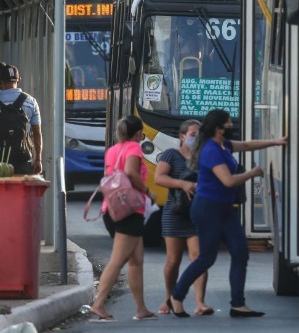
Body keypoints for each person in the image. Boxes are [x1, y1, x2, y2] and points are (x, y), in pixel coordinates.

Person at [168, 109, 288, 318]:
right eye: (228, 123)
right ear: (218, 128)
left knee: (240, 252)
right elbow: (228, 181)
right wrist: (253, 173)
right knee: (206, 258)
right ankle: (176, 297)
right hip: (208, 209)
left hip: (224, 208)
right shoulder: (211, 150)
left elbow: (248, 145)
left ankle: (238, 304)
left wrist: (276, 142)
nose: (231, 126)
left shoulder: (224, 145)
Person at [85, 115, 157, 322]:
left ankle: (141, 308)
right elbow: (131, 173)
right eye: (141, 133)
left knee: (136, 261)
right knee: (117, 261)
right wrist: (148, 192)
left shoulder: (113, 150)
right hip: (129, 212)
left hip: (113, 209)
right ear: (137, 133)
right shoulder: (134, 147)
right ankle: (98, 304)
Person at [154, 119, 213, 316]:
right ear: (182, 137)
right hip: (175, 213)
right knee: (173, 260)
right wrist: (182, 184)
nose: (196, 139)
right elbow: (159, 178)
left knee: (198, 257)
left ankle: (200, 303)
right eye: (192, 134)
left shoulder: (204, 157)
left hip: (198, 213)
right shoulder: (171, 155)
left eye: (199, 135)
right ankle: (170, 297)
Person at [0, 62, 43, 175]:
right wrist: (37, 159)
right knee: (21, 191)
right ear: (19, 80)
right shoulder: (31, 102)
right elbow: (37, 133)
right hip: (22, 161)